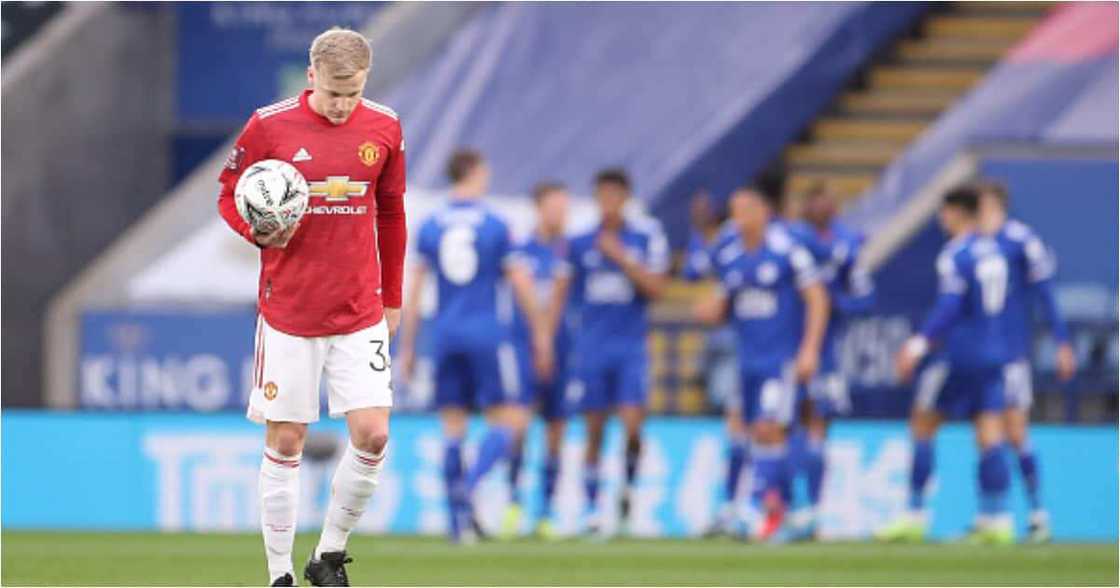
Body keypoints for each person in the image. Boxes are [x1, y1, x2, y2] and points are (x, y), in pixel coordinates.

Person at [217, 28, 406, 587]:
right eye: (332, 94)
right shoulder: (269, 125)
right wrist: (257, 232)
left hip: (359, 309)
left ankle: (329, 556)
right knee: (286, 440)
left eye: (351, 93)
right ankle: (279, 575)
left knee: (373, 434)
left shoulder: (385, 127)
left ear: (365, 80)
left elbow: (391, 214)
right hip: (290, 312)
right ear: (310, 77)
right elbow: (229, 192)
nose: (342, 105)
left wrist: (392, 298)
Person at [398, 149, 550, 545]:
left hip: (445, 335)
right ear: (475, 173)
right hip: (486, 333)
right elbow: (520, 283)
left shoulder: (430, 225)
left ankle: (456, 522)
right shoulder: (496, 224)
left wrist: (408, 347)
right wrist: (540, 332)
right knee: (511, 420)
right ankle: (470, 484)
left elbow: (413, 292)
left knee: (452, 428)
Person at [694, 184, 829, 543]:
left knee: (769, 429)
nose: (738, 219)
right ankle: (742, 509)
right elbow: (725, 304)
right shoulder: (732, 256)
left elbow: (817, 298)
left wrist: (810, 350)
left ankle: (761, 512)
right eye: (734, 212)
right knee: (737, 430)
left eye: (744, 211)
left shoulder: (788, 252)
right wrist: (711, 310)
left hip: (779, 360)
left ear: (763, 212)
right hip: (745, 360)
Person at [882, 186, 1016, 545]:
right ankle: (996, 519)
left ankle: (913, 515)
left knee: (923, 423)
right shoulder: (996, 250)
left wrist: (918, 344)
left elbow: (950, 306)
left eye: (945, 212)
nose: (943, 219)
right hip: (994, 350)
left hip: (959, 353)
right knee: (989, 431)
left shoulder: (957, 253)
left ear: (958, 212)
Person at [549, 168, 669, 537]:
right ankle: (591, 508)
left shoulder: (646, 237)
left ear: (626, 198)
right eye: (603, 195)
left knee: (633, 427)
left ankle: (629, 491)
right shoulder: (580, 241)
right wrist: (551, 338)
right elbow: (562, 292)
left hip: (631, 347)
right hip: (592, 348)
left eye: (615, 195)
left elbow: (657, 289)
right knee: (594, 430)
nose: (609, 202)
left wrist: (622, 258)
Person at [976, 179, 1076, 542]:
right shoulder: (971, 244)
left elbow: (1045, 294)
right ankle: (992, 517)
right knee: (985, 432)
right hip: (979, 356)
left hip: (1011, 352)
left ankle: (1037, 513)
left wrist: (1061, 341)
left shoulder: (1021, 241)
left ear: (996, 203)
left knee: (1016, 431)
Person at [784, 183, 875, 540]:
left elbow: (866, 298)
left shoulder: (847, 246)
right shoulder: (789, 241)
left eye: (827, 200)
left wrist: (835, 303)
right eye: (814, 200)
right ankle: (789, 506)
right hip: (783, 344)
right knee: (782, 424)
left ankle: (812, 511)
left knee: (818, 423)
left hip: (824, 349)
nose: (822, 206)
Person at [501, 182, 573, 539]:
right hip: (522, 350)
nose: (561, 214)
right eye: (555, 207)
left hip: (564, 352)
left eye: (565, 207)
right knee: (519, 428)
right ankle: (513, 503)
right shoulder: (520, 251)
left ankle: (546, 510)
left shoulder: (572, 252)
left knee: (556, 431)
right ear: (539, 208)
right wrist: (540, 339)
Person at [680, 191, 747, 537]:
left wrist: (718, 305)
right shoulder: (729, 242)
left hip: (770, 349)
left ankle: (779, 507)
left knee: (773, 427)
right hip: (743, 348)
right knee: (740, 423)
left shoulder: (776, 246)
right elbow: (694, 270)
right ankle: (735, 509)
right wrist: (699, 230)